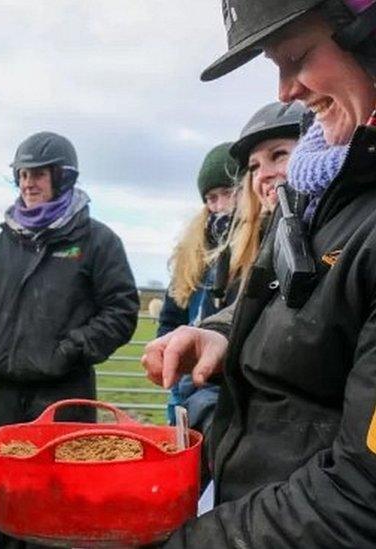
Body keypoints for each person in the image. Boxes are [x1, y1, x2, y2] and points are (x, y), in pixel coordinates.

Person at [142, 0, 376, 545]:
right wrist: (224, 333)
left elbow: (362, 498)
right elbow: (308, 310)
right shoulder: (321, 192)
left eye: (297, 56)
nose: (285, 89)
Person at [0, 131, 139, 548]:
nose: (28, 183)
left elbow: (121, 310)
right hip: (5, 394)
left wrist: (70, 351)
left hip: (65, 396)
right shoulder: (3, 241)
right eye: (22, 174)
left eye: (39, 174)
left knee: (60, 509)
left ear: (63, 177)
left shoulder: (98, 241)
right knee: (4, 501)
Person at [158, 143, 238, 447]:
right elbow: (172, 315)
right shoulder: (191, 253)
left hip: (225, 390)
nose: (219, 205)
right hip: (185, 384)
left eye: (227, 194)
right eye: (211, 198)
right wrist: (173, 363)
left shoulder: (262, 248)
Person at [225, 101, 307, 284]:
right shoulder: (254, 248)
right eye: (254, 167)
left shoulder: (345, 231)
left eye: (278, 155)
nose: (262, 175)